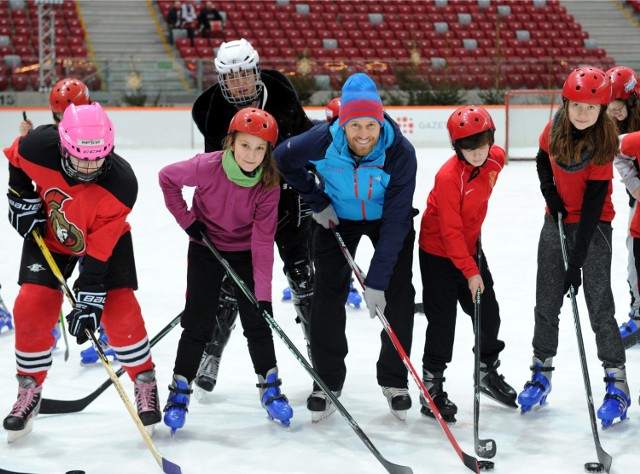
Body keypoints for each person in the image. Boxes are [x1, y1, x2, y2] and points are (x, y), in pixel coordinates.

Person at [2, 103, 161, 442]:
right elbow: (16, 157)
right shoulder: (38, 146)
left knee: (119, 312)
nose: (89, 167)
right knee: (30, 306)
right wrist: (19, 196)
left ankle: (144, 380)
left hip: (105, 243)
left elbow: (100, 249)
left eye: (98, 159)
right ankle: (29, 388)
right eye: (80, 159)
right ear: (63, 147)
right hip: (51, 236)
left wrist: (91, 294)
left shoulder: (122, 183)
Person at [275, 73, 417, 421]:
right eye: (355, 125)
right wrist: (314, 198)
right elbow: (282, 159)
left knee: (399, 294)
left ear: (381, 119)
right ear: (343, 122)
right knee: (327, 295)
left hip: (387, 220)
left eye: (371, 124)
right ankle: (327, 380)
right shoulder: (322, 140)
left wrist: (377, 282)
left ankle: (395, 380)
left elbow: (398, 220)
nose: (364, 134)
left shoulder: (399, 152)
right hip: (337, 217)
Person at [190, 38, 315, 394]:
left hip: (288, 200)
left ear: (256, 71)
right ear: (220, 79)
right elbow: (218, 168)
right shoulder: (209, 108)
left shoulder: (279, 88)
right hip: (246, 209)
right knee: (233, 284)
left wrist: (313, 174)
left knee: (303, 276)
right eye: (230, 78)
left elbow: (304, 132)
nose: (239, 84)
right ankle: (211, 353)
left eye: (244, 75)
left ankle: (317, 350)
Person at [158, 107, 293, 432]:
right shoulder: (207, 166)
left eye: (260, 148)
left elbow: (263, 242)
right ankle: (180, 390)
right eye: (246, 145)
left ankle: (270, 387)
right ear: (231, 141)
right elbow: (167, 178)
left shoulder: (269, 184)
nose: (252, 154)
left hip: (246, 251)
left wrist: (263, 297)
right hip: (206, 246)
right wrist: (188, 221)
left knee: (257, 323)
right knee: (197, 322)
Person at [517, 67, 630, 428]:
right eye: (576, 105)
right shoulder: (553, 130)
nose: (582, 113)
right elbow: (541, 160)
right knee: (546, 299)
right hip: (555, 220)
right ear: (566, 104)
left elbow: (595, 203)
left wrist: (577, 261)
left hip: (593, 227)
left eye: (591, 107)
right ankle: (541, 373)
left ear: (601, 111)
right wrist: (550, 194)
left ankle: (617, 383)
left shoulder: (603, 141)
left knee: (598, 302)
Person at [418, 106, 516, 424]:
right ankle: (431, 386)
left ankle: (487, 371)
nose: (477, 153)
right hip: (437, 253)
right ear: (456, 147)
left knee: (488, 313)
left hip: (470, 249)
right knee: (442, 321)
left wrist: (474, 264)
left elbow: (491, 165)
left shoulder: (495, 159)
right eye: (468, 147)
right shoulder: (448, 178)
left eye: (482, 144)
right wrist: (471, 272)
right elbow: (449, 232)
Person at [18, 78, 116, 364]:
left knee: (95, 278)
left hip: (91, 223)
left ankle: (108, 332)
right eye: (59, 115)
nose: (66, 120)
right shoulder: (54, 137)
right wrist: (30, 141)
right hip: (61, 222)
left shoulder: (96, 134)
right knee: (49, 279)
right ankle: (50, 327)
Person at [607, 65, 640, 349]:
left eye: (618, 109)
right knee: (634, 257)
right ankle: (639, 314)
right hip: (639, 202)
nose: (614, 116)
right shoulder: (615, 127)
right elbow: (621, 160)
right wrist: (636, 189)